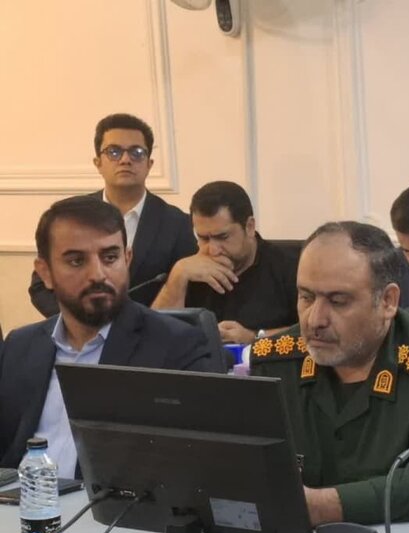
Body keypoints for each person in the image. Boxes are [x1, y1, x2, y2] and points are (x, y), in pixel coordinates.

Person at [250, 220, 409, 525]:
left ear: (387, 301)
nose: (314, 319)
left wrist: (320, 506)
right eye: (306, 297)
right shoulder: (275, 359)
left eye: (338, 301)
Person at [0, 196, 215, 477]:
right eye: (76, 261)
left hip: (107, 504)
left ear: (127, 259)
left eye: (110, 257)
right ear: (45, 273)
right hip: (18, 499)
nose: (98, 274)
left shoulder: (176, 348)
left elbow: (194, 468)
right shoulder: (19, 347)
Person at [29, 113, 197, 316]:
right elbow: (40, 287)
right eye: (114, 152)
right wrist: (81, 322)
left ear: (149, 164)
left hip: (150, 331)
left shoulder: (177, 224)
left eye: (136, 152)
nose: (125, 160)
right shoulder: (69, 218)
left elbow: (190, 295)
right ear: (98, 163)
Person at [151, 181, 298, 344]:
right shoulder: (190, 269)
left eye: (222, 237)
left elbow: (311, 333)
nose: (213, 250)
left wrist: (255, 338)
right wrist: (177, 277)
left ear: (249, 227)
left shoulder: (290, 268)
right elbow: (153, 337)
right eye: (203, 238)